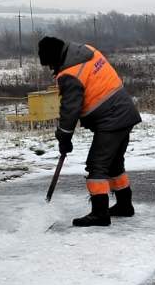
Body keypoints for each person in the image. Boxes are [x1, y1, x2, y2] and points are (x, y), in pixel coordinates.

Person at [37, 36, 142, 228]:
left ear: (54, 58)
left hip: (112, 118)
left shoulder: (70, 74)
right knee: (114, 164)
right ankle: (125, 205)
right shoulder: (86, 51)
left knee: (97, 165)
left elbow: (70, 109)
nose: (51, 69)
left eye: (50, 64)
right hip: (124, 111)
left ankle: (99, 214)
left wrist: (64, 136)